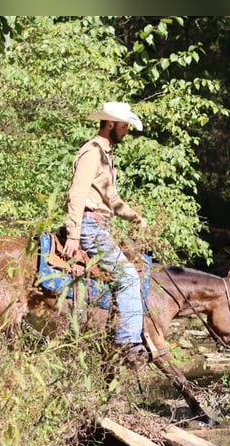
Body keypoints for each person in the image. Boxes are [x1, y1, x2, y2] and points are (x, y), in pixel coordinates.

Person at [61, 101, 149, 368]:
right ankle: (128, 343)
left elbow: (111, 198)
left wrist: (132, 215)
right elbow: (77, 194)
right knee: (127, 277)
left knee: (139, 266)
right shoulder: (92, 153)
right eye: (124, 126)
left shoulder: (107, 155)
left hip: (100, 224)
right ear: (110, 123)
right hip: (89, 226)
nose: (127, 131)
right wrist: (73, 234)